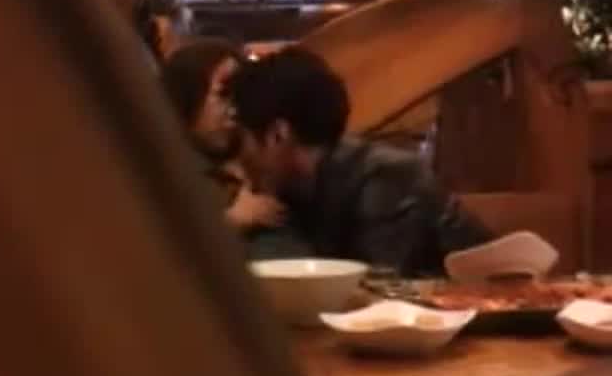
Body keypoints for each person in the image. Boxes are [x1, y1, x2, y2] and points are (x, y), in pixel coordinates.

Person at [226, 47, 493, 276]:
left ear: (277, 135)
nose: (238, 156)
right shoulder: (286, 189)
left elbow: (378, 293)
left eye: (241, 138)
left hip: (489, 308)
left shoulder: (387, 176)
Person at [161, 40, 291, 237]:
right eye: (223, 94)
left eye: (240, 95)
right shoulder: (169, 176)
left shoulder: (254, 154)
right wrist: (231, 222)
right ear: (187, 98)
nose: (235, 109)